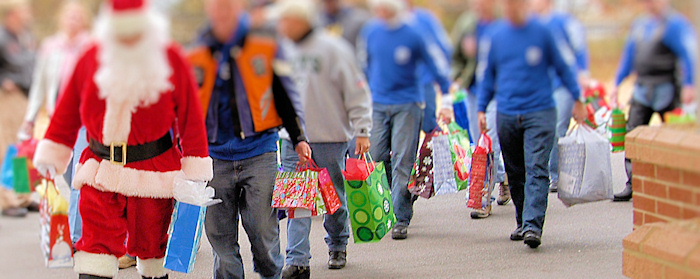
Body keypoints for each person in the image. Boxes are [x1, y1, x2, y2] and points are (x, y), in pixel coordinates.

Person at [33, 0, 213, 278]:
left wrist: (195, 170)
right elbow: (67, 112)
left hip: (153, 173)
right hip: (100, 170)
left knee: (151, 252)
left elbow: (191, 116)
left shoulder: (171, 58)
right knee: (94, 251)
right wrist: (52, 155)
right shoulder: (91, 57)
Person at [197, 0, 311, 278]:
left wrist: (298, 137)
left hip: (259, 152)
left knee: (264, 236)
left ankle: (270, 273)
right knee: (221, 241)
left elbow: (282, 92)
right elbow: (186, 105)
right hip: (213, 158)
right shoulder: (198, 49)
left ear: (240, 7)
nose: (222, 10)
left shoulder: (264, 44)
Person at [272, 0, 373, 278]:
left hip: (330, 134)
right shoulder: (282, 50)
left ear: (303, 20)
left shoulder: (333, 48)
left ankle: (338, 242)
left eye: (288, 21)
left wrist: (362, 129)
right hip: (293, 138)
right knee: (298, 199)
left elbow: (357, 92)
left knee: (333, 197)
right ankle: (297, 259)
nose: (283, 26)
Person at [477, 0, 586, 249]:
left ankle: (533, 225)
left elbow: (564, 66)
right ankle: (522, 221)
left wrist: (578, 98)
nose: (511, 8)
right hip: (507, 113)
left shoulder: (544, 32)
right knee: (516, 172)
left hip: (540, 111)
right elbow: (487, 76)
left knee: (537, 167)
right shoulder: (496, 36)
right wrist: (481, 107)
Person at [358, 0, 452, 240]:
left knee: (402, 158)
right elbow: (364, 65)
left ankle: (400, 217)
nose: (381, 13)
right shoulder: (371, 32)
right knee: (378, 157)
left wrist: (447, 99)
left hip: (408, 103)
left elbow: (438, 63)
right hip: (378, 104)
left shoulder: (413, 33)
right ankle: (389, 202)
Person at [17, 0, 91, 245]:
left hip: (83, 120)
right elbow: (39, 85)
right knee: (69, 175)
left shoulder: (91, 47)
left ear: (84, 21)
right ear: (62, 19)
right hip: (57, 120)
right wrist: (30, 119)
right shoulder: (51, 47)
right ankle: (86, 218)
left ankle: (77, 238)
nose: (73, 21)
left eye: (77, 17)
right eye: (69, 16)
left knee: (80, 174)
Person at [611, 0, 696, 202]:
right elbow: (629, 56)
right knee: (632, 134)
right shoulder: (640, 25)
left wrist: (689, 84)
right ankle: (633, 183)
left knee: (675, 136)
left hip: (667, 88)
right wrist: (617, 83)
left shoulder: (675, 24)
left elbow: (688, 55)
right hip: (642, 89)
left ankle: (678, 182)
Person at [450, 0, 510, 219]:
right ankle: (502, 178)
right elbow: (455, 56)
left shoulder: (503, 24)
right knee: (480, 144)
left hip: (499, 91)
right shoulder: (467, 24)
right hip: (474, 90)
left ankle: (484, 198)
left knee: (490, 139)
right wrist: (457, 77)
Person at [529, 0, 590, 193]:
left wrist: (583, 74)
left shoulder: (564, 21)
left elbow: (579, 48)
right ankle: (539, 174)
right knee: (539, 130)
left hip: (563, 84)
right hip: (540, 86)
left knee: (556, 128)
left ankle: (554, 175)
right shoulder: (530, 24)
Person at [0, 0, 36, 218]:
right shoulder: (2, 36)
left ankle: (23, 195)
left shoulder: (25, 36)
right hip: (9, 97)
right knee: (8, 147)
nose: (27, 14)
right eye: (24, 10)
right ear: (13, 13)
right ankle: (7, 199)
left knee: (24, 146)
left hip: (27, 96)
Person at [404, 0, 452, 134]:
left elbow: (443, 49)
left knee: (429, 126)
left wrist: (443, 77)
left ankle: (436, 153)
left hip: (424, 82)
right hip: (400, 89)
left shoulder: (425, 20)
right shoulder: (387, 24)